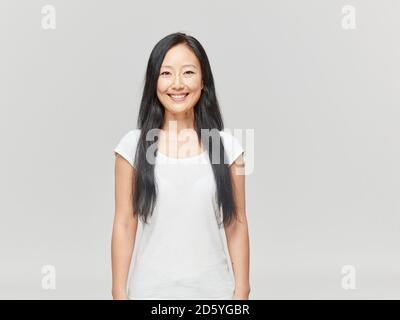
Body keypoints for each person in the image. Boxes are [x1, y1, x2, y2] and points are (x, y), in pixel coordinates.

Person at [111, 32, 250, 300]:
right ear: (154, 82)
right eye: (166, 73)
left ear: (203, 80)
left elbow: (237, 223)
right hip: (149, 293)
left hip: (215, 294)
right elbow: (124, 224)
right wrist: (119, 293)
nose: (177, 84)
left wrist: (242, 292)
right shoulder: (132, 147)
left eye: (188, 72)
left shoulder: (229, 148)